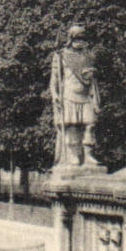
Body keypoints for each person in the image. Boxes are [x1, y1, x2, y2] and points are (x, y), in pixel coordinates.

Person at [49, 25, 101, 168]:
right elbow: (54, 80)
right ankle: (73, 156)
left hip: (86, 95)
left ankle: (88, 155)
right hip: (69, 95)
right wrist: (55, 95)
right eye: (78, 38)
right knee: (72, 126)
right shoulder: (60, 56)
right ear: (71, 39)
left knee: (90, 124)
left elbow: (93, 78)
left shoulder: (88, 56)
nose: (80, 41)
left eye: (83, 38)